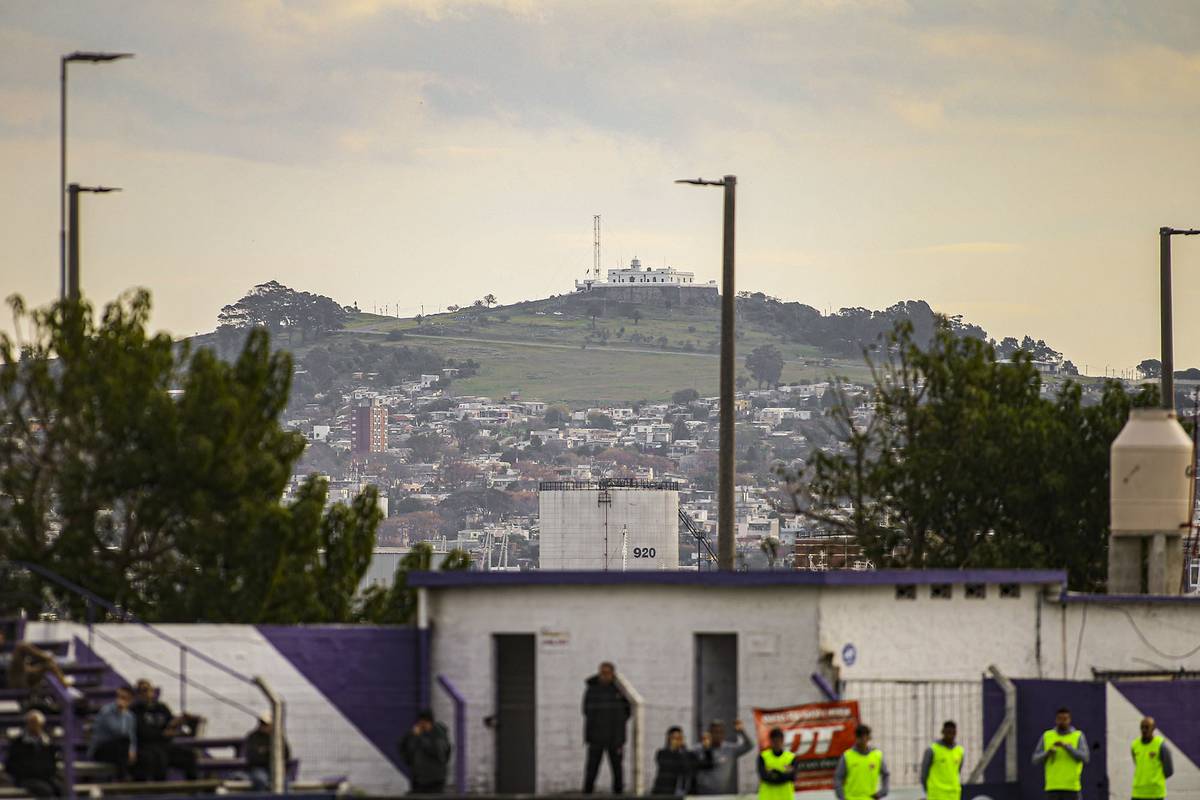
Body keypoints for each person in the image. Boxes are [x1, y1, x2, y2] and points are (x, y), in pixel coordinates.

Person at [132, 679, 199, 781]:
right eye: (144, 691)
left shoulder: (162, 707)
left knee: (189, 756)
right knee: (158, 758)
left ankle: (195, 789)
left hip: (165, 745)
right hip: (146, 746)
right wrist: (162, 734)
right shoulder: (135, 710)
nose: (148, 693)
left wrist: (180, 721)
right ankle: (159, 792)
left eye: (150, 690)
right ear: (138, 694)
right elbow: (141, 732)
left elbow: (170, 723)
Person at [582, 661, 631, 794]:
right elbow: (586, 710)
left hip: (615, 738)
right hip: (595, 737)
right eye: (602, 673)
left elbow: (628, 710)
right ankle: (587, 792)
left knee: (617, 769)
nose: (604, 676)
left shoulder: (620, 690)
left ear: (613, 674)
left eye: (607, 673)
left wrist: (618, 724)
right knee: (592, 768)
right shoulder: (592, 689)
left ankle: (618, 793)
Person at [1032, 707, 1089, 800]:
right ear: (1056, 720)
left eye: (1065, 719)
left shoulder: (1077, 736)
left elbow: (1085, 758)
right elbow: (1035, 759)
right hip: (1052, 787)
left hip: (1072, 787)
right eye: (1060, 719)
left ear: (1069, 720)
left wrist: (1067, 747)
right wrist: (1048, 752)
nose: (1062, 722)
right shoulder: (1047, 736)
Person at [4, 710, 61, 797]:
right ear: (27, 724)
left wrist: (48, 772)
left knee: (62, 789)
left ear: (41, 725)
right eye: (32, 723)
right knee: (46, 791)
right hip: (26, 779)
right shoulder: (18, 743)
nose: (34, 726)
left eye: (36, 724)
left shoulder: (47, 742)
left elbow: (53, 763)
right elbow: (10, 765)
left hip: (45, 777)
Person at [88, 685, 137, 780]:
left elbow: (132, 736)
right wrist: (121, 713)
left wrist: (132, 750)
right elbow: (118, 731)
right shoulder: (106, 711)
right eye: (119, 697)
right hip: (101, 748)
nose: (120, 700)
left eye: (124, 698)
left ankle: (127, 780)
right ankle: (122, 778)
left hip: (120, 750)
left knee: (127, 749)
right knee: (123, 743)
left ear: (130, 700)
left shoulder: (130, 716)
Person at [399, 709, 452, 793]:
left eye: (423, 722)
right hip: (418, 779)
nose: (421, 725)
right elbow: (402, 745)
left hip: (434, 780)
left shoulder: (438, 734)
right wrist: (409, 761)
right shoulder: (416, 733)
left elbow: (438, 752)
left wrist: (420, 737)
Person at [695, 718, 754, 795]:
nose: (717, 735)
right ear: (709, 733)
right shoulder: (698, 749)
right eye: (715, 732)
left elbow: (749, 746)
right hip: (702, 795)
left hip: (722, 794)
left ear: (724, 734)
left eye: (720, 732)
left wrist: (741, 732)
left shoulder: (730, 749)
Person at [834, 724, 889, 800]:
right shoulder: (847, 756)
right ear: (856, 738)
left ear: (869, 738)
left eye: (865, 737)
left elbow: (885, 774)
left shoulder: (877, 755)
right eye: (860, 737)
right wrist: (842, 797)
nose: (862, 740)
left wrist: (883, 791)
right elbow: (838, 778)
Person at [652, 726, 711, 796]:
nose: (678, 741)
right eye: (674, 738)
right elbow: (672, 765)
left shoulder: (689, 755)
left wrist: (707, 749)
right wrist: (676, 749)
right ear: (668, 740)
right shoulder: (662, 754)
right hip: (664, 795)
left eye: (680, 738)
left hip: (685, 796)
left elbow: (707, 765)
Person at [245, 713, 290, 792]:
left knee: (284, 782)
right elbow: (253, 757)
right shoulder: (253, 737)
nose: (264, 726)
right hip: (259, 768)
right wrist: (270, 753)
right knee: (260, 780)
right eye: (262, 723)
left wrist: (264, 751)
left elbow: (286, 754)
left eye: (266, 724)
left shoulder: (278, 737)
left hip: (276, 768)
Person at [1131, 716, 1173, 800]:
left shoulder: (1160, 745)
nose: (1144, 730)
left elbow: (1169, 771)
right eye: (1142, 727)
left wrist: (1155, 779)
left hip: (1155, 794)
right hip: (1138, 793)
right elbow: (1137, 764)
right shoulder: (1135, 745)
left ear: (1153, 729)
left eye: (1147, 727)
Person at [920, 720, 963, 800]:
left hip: (953, 795)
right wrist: (929, 790)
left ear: (956, 733)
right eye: (948, 731)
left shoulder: (960, 751)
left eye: (952, 732)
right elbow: (924, 775)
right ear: (943, 732)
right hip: (936, 795)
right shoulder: (932, 750)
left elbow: (957, 771)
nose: (950, 735)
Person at [757, 727, 797, 800]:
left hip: (785, 797)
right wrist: (783, 775)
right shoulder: (763, 757)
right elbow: (764, 777)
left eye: (779, 741)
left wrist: (774, 773)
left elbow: (792, 777)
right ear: (771, 741)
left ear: (782, 741)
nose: (777, 744)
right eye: (774, 741)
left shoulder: (790, 757)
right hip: (768, 797)